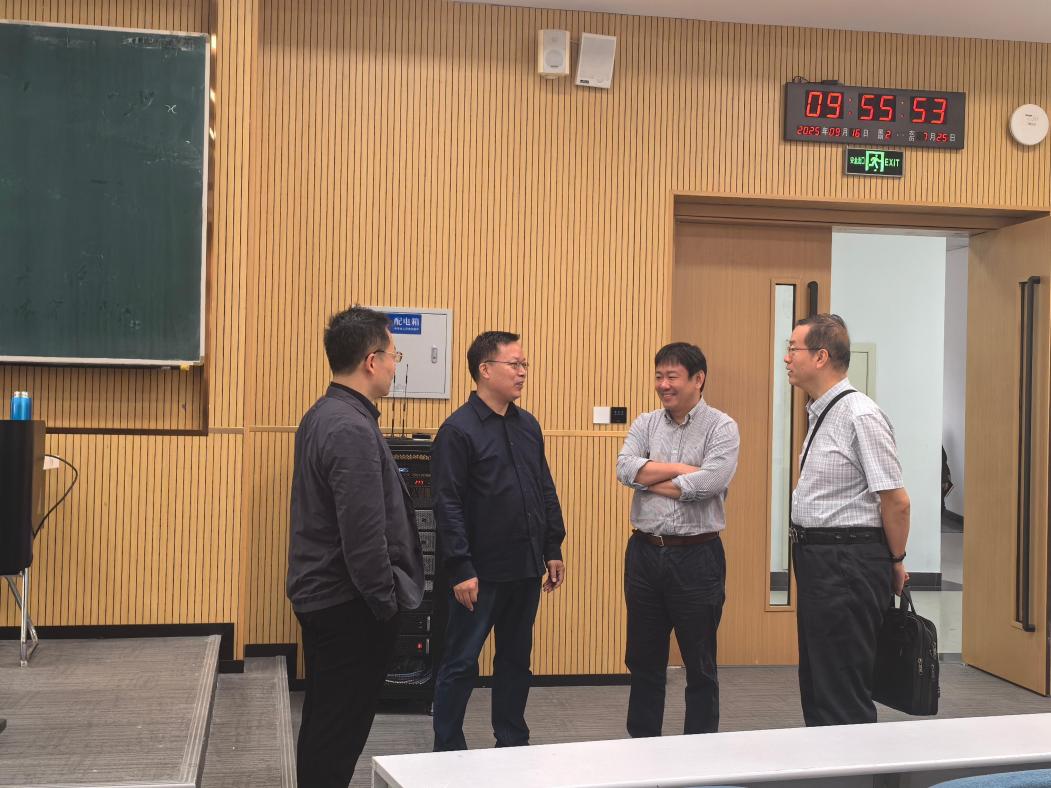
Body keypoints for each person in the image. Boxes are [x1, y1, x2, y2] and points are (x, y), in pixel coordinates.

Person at [286, 305, 425, 787]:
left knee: (325, 722)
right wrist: (386, 606)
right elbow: (363, 537)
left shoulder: (324, 414)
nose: (394, 366)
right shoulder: (349, 426)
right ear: (371, 361)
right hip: (349, 605)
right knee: (337, 731)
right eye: (393, 356)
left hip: (327, 597)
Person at [431, 331, 567, 751]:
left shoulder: (528, 426)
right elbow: (447, 504)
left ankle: (511, 742)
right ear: (485, 370)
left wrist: (552, 547)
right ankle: (447, 748)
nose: (523, 372)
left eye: (525, 365)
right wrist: (460, 567)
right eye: (515, 364)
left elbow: (544, 489)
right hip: (478, 573)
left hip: (524, 568)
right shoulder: (458, 430)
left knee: (515, 661)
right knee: (460, 663)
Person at [785, 313, 910, 727]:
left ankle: (852, 762)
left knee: (841, 683)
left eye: (793, 348)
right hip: (820, 560)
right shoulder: (822, 412)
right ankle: (824, 759)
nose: (786, 357)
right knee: (818, 679)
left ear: (821, 356)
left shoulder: (860, 414)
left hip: (847, 561)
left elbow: (896, 501)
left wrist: (896, 561)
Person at [615, 342, 740, 737]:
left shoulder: (721, 427)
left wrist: (650, 477)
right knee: (643, 661)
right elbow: (625, 469)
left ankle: (699, 754)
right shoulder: (646, 423)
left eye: (672, 376)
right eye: (659, 376)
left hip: (697, 557)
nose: (663, 385)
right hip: (645, 554)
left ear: (698, 379)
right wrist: (683, 470)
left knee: (700, 664)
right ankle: (642, 747)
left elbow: (709, 483)